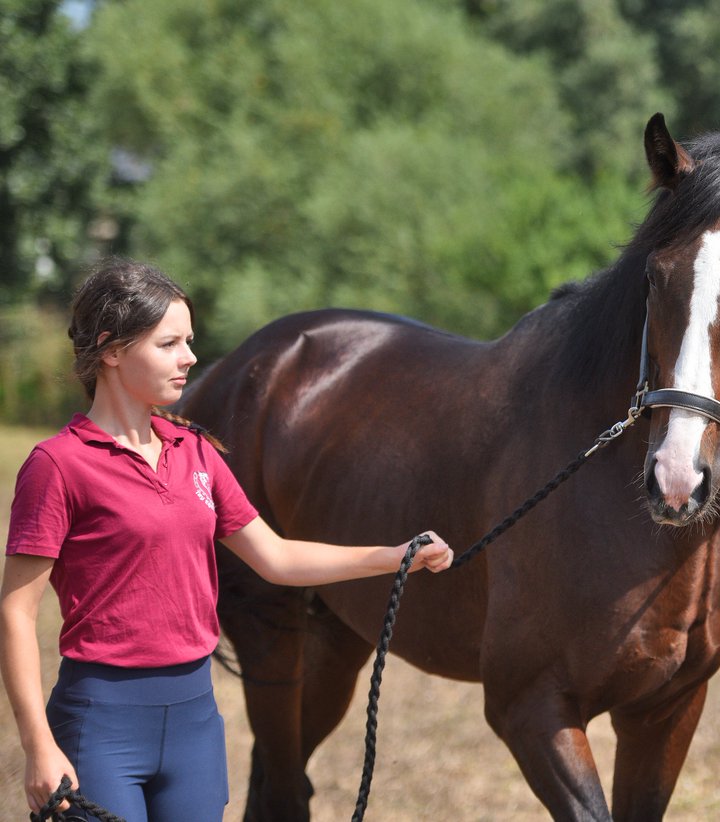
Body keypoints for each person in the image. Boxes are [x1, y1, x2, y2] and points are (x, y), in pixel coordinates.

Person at [0, 258, 454, 821]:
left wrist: (395, 557)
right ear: (112, 350)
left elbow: (276, 556)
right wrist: (38, 744)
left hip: (194, 724)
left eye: (189, 341)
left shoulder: (195, 452)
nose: (190, 357)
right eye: (169, 344)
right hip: (100, 724)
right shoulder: (58, 465)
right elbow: (17, 614)